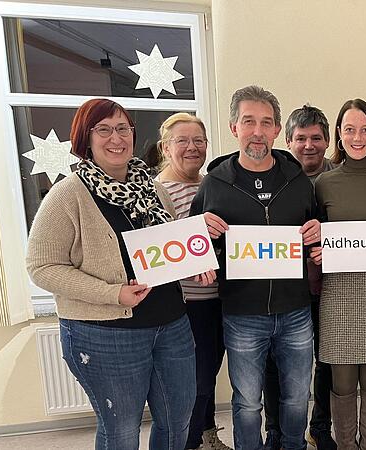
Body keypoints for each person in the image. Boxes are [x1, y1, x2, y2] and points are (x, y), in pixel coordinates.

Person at [27, 98, 214, 450]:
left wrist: (195, 261)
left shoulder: (154, 189)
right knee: (122, 432)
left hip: (172, 324)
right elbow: (41, 267)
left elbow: (166, 247)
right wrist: (113, 293)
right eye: (104, 129)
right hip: (105, 333)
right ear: (86, 139)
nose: (116, 138)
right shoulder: (68, 196)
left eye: (123, 128)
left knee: (178, 422)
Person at [190, 85, 321, 450]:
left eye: (266, 122)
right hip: (242, 313)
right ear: (234, 127)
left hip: (295, 311)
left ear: (278, 129)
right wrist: (201, 231)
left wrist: (319, 232)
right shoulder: (214, 184)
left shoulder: (299, 182)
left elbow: (316, 236)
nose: (258, 131)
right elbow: (194, 247)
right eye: (249, 121)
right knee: (248, 404)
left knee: (297, 399)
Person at [311, 98, 366, 450]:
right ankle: (346, 445)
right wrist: (316, 251)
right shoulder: (323, 183)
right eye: (350, 129)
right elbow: (314, 234)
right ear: (339, 133)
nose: (358, 137)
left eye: (365, 129)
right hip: (338, 293)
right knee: (343, 380)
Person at [262, 104, 338, 450]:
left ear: (327, 141)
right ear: (288, 140)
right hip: (283, 290)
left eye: (316, 138)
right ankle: (275, 428)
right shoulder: (273, 176)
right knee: (275, 364)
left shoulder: (339, 179)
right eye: (301, 138)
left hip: (330, 288)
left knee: (326, 361)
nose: (309, 145)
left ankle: (319, 425)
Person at [154, 113, 231, 450]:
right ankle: (189, 442)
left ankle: (207, 433)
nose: (191, 147)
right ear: (165, 147)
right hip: (184, 304)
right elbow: (153, 253)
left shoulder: (214, 184)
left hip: (222, 298)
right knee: (192, 383)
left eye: (198, 140)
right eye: (182, 141)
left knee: (208, 376)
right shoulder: (154, 192)